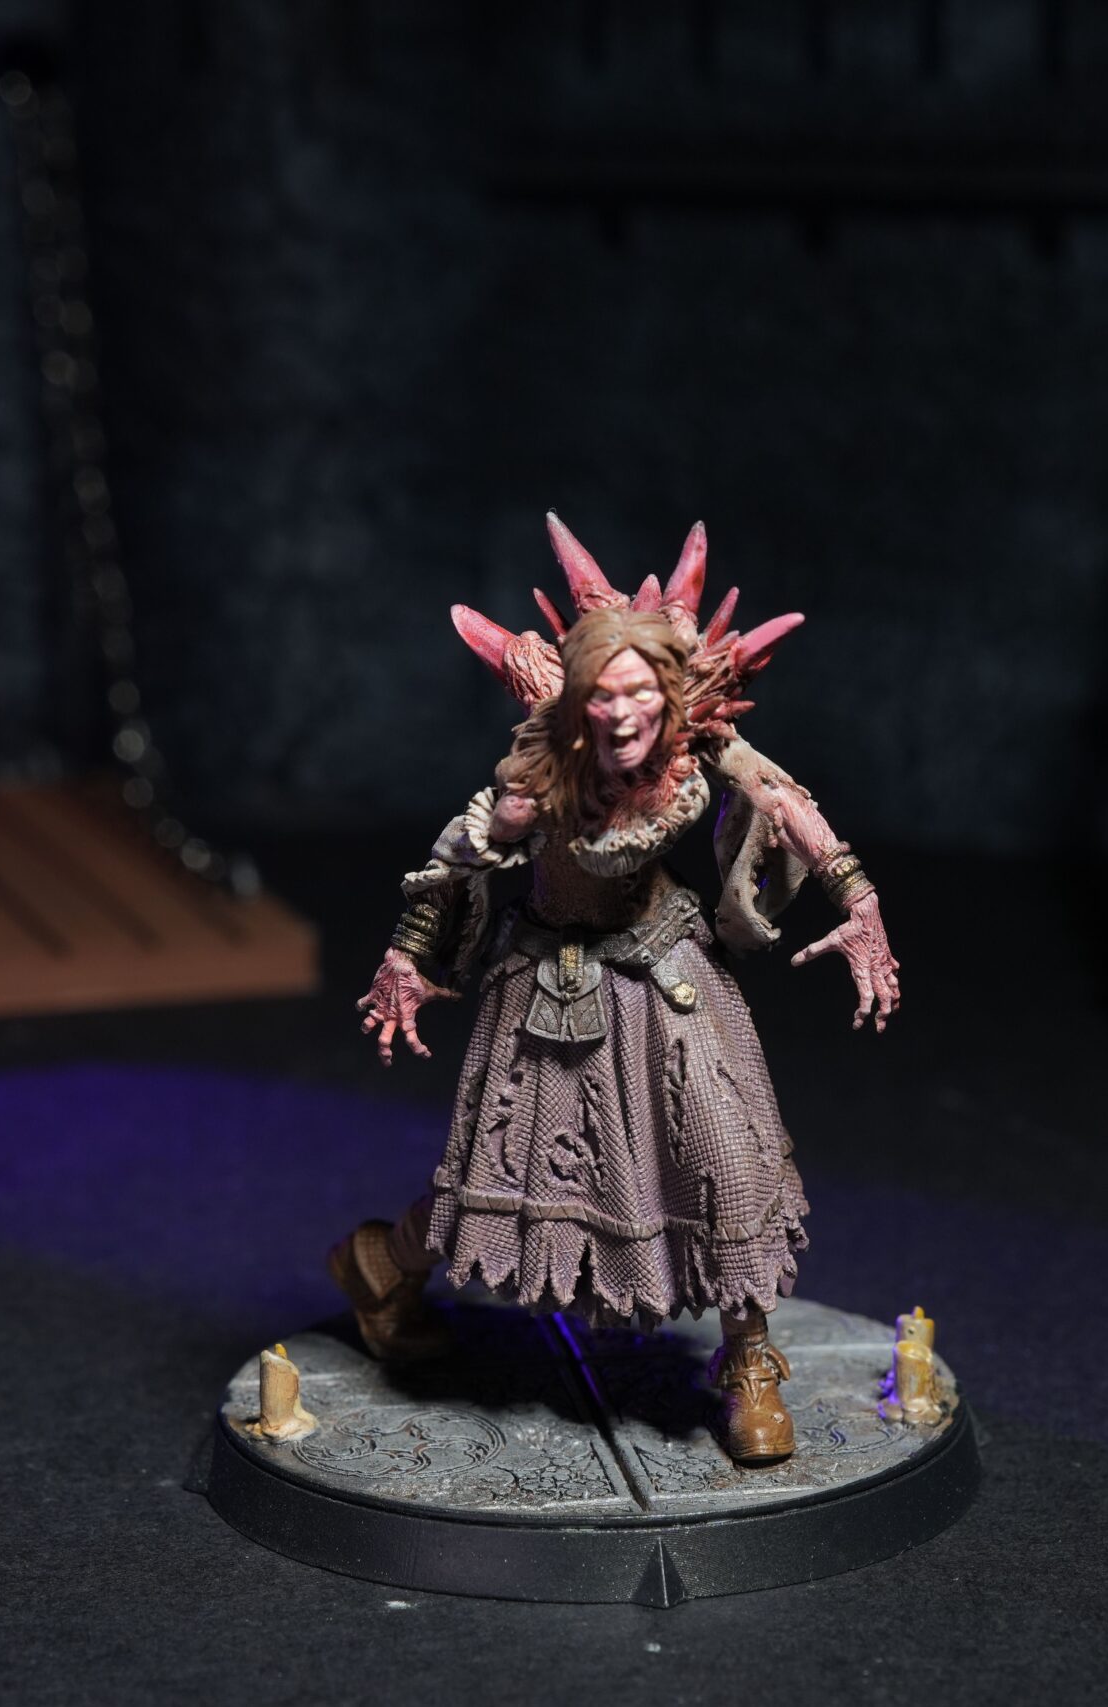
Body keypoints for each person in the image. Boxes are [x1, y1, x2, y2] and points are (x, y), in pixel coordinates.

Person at [337, 514, 901, 1466]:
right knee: (499, 1183)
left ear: (668, 695)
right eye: (605, 694)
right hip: (552, 991)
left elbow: (785, 801)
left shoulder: (691, 744)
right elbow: (455, 861)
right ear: (579, 702)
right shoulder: (541, 778)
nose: (626, 713)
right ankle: (382, 1265)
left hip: (668, 976)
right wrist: (408, 959)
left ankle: (749, 1360)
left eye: (642, 691)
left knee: (728, 1161)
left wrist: (863, 903)